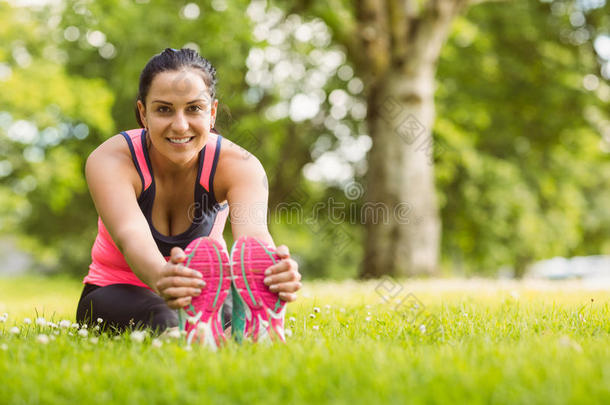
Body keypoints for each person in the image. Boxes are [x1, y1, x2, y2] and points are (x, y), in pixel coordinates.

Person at [76, 48, 302, 341]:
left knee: (231, 314)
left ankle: (243, 327)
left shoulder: (240, 167)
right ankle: (196, 329)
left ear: (212, 112)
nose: (180, 125)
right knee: (167, 317)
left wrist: (272, 273)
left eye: (194, 108)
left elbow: (253, 239)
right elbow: (131, 236)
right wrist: (164, 279)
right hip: (113, 291)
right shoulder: (111, 160)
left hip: (206, 292)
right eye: (164, 109)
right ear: (143, 113)